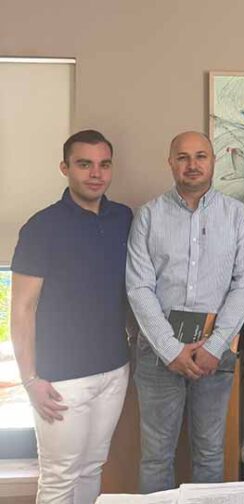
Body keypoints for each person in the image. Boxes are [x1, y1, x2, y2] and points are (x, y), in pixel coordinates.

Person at [126, 131, 244, 492]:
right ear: (170, 163)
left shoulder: (236, 216)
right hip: (158, 356)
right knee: (156, 457)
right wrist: (170, 349)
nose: (192, 165)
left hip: (215, 354)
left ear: (213, 161)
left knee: (210, 454)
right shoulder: (149, 216)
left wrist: (214, 346)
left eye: (201, 156)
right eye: (182, 157)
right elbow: (138, 287)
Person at [11, 130, 131, 503]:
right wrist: (30, 379)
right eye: (84, 164)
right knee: (60, 476)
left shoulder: (123, 217)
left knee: (93, 467)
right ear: (65, 168)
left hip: (115, 368)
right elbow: (22, 309)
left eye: (104, 164)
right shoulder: (41, 227)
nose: (96, 174)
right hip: (62, 378)